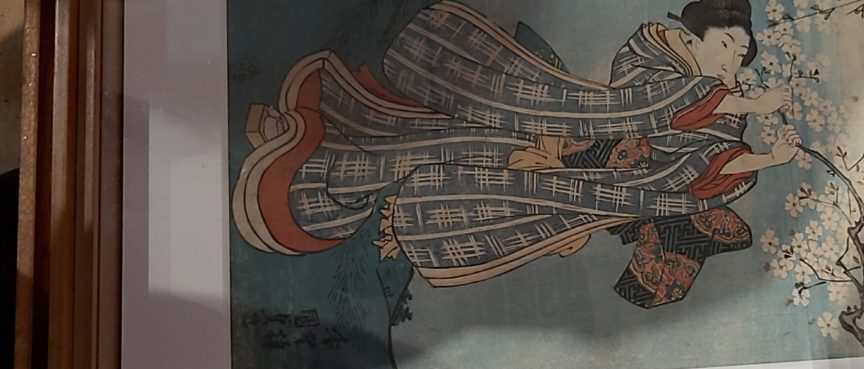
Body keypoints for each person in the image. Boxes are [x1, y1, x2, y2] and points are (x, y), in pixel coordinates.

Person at [232, 0, 802, 308]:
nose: (731, 61)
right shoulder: (659, 59)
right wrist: (746, 102)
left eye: (740, 55)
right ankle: (330, 145)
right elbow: (633, 104)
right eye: (726, 45)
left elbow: (702, 170)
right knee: (447, 132)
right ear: (690, 36)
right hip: (555, 122)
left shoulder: (715, 112)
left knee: (450, 166)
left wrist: (766, 157)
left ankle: (326, 178)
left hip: (564, 180)